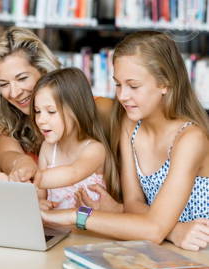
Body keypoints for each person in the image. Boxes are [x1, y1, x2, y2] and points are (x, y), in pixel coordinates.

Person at [41, 31, 209, 251]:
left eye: (133, 86)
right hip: (166, 246)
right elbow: (133, 205)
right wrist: (174, 230)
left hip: (200, 250)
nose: (122, 96)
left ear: (165, 83)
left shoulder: (190, 139)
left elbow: (154, 230)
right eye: (118, 84)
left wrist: (74, 216)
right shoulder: (131, 126)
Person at [0, 27, 113, 183]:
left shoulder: (101, 109)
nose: (14, 93)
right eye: (4, 84)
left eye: (22, 78)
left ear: (43, 69)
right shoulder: (8, 118)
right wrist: (21, 164)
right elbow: (7, 153)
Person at [29, 67, 119, 210]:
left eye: (51, 111)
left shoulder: (95, 149)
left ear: (76, 110)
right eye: (37, 111)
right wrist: (39, 202)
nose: (40, 120)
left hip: (87, 231)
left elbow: (73, 173)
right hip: (56, 230)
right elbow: (40, 194)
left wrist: (32, 178)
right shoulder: (48, 148)